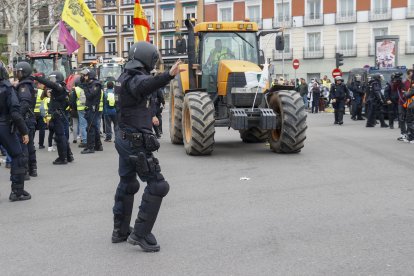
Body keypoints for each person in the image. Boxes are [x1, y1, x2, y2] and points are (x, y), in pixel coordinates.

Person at [112, 41, 184, 252]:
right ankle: (140, 234)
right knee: (158, 185)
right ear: (148, 59)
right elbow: (145, 85)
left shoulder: (123, 76)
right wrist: (168, 75)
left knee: (128, 183)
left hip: (124, 138)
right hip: (134, 142)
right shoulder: (135, 79)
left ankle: (120, 230)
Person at [0, 62, 31, 201]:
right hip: (5, 127)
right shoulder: (7, 89)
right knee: (18, 156)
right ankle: (17, 192)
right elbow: (15, 113)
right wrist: (24, 131)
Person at [34, 71, 74, 164]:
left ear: (58, 78)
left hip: (57, 115)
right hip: (60, 114)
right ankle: (69, 156)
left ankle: (62, 158)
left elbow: (49, 84)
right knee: (62, 136)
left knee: (60, 137)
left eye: (53, 78)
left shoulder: (58, 87)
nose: (52, 81)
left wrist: (37, 78)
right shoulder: (62, 87)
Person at [15, 62, 38, 177]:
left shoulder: (24, 86)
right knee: (29, 145)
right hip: (30, 118)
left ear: (24, 72)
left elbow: (24, 103)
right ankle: (32, 168)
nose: (17, 74)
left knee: (23, 145)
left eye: (18, 72)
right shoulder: (29, 84)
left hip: (25, 119)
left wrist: (17, 117)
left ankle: (24, 171)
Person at [79, 68, 103, 154]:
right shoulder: (90, 84)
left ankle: (90, 147)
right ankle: (98, 145)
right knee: (94, 127)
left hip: (93, 108)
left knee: (90, 128)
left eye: (86, 75)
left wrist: (85, 86)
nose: (84, 77)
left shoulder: (96, 84)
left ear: (90, 76)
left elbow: (90, 95)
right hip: (90, 108)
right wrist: (85, 84)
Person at [73, 76, 87, 148]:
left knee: (82, 125)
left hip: (80, 108)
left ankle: (84, 140)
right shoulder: (89, 86)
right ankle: (90, 139)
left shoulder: (76, 89)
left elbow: (72, 100)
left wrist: (74, 108)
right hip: (88, 108)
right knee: (88, 124)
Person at [34, 74, 46, 149]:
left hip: (33, 113)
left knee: (33, 129)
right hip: (41, 113)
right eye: (42, 84)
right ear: (38, 84)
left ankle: (31, 143)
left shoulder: (33, 91)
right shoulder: (43, 92)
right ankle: (41, 144)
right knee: (42, 129)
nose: (43, 85)